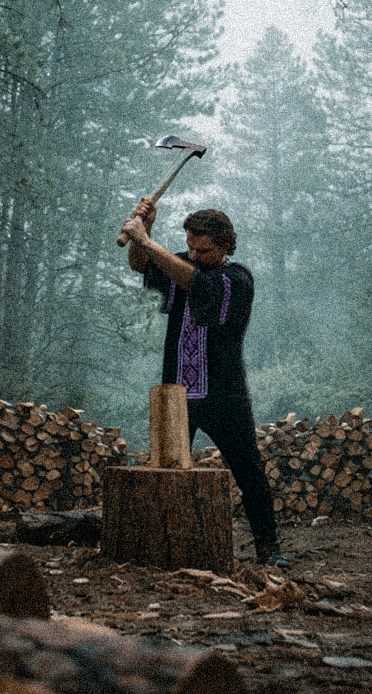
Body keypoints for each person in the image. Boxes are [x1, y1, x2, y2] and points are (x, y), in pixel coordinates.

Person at [120, 200, 287, 567]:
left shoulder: (237, 279)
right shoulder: (181, 262)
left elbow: (200, 285)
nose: (196, 255)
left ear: (227, 245)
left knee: (248, 470)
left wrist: (146, 241)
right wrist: (142, 235)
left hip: (224, 392)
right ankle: (158, 547)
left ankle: (269, 548)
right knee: (166, 469)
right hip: (176, 391)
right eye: (191, 247)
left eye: (205, 249)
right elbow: (140, 265)